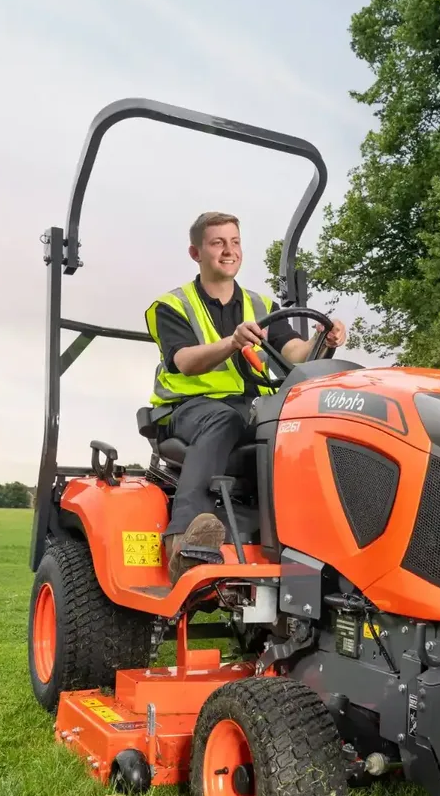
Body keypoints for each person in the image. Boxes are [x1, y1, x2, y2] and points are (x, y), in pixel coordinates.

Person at [145, 211, 346, 582]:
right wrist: (233, 342)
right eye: (217, 242)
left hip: (251, 408)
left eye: (235, 242)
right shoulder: (171, 306)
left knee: (305, 424)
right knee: (225, 419)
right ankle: (183, 541)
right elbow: (185, 362)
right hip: (188, 410)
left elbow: (294, 353)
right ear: (196, 253)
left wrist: (322, 338)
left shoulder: (261, 305)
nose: (229, 250)